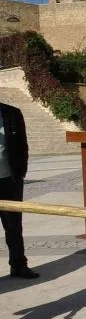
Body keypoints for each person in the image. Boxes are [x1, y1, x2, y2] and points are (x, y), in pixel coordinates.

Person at [0, 102, 37, 278]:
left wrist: (21, 171)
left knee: (14, 226)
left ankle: (18, 265)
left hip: (10, 180)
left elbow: (22, 144)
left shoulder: (12, 113)